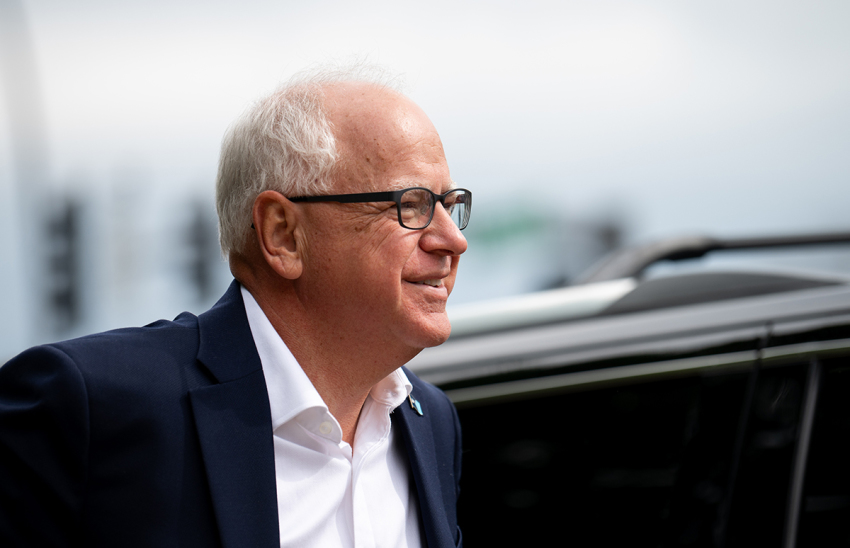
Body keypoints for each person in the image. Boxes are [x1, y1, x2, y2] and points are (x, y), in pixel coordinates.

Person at [0, 67, 470, 547]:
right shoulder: (91, 408)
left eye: (450, 205)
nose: (454, 240)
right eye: (411, 205)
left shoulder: (429, 421)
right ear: (283, 234)